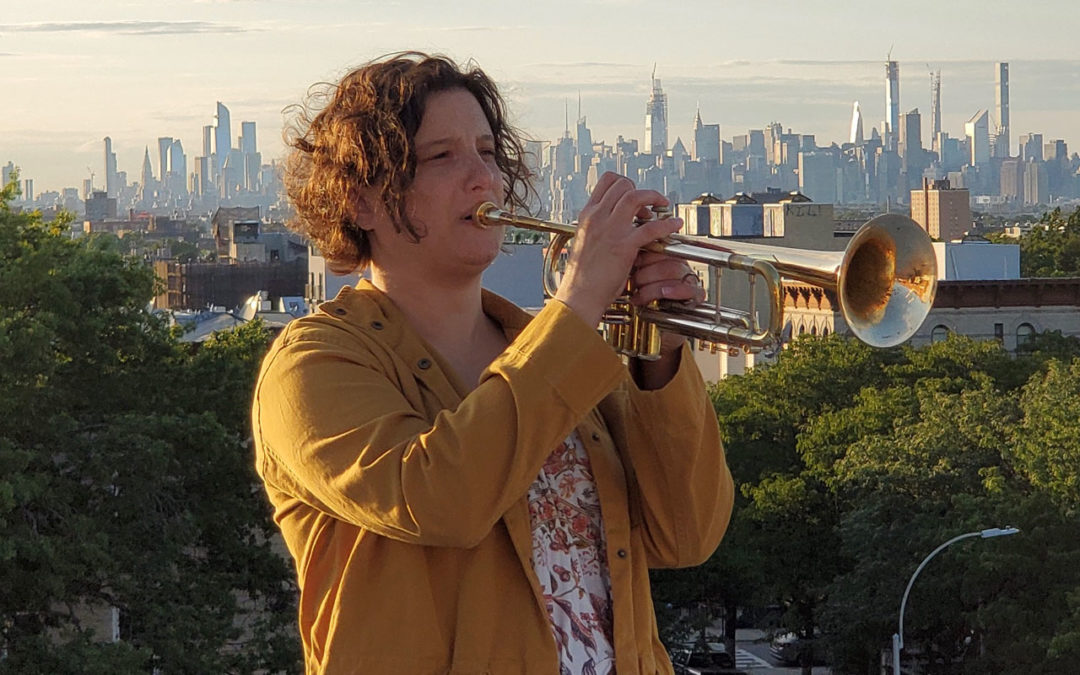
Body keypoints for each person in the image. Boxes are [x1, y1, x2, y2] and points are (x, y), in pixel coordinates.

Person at [251, 51, 734, 675]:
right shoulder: (311, 365)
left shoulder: (552, 350)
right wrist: (581, 298)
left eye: (487, 151)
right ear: (363, 201)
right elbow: (441, 498)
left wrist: (661, 357)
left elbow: (688, 534)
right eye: (443, 156)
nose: (484, 178)